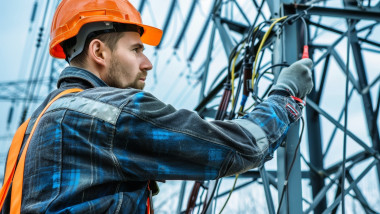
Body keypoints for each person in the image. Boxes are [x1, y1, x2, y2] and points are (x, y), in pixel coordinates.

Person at [1, 0, 313, 213]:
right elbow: (243, 146)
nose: (147, 63)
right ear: (98, 51)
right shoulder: (112, 114)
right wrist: (286, 96)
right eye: (136, 49)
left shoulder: (32, 129)